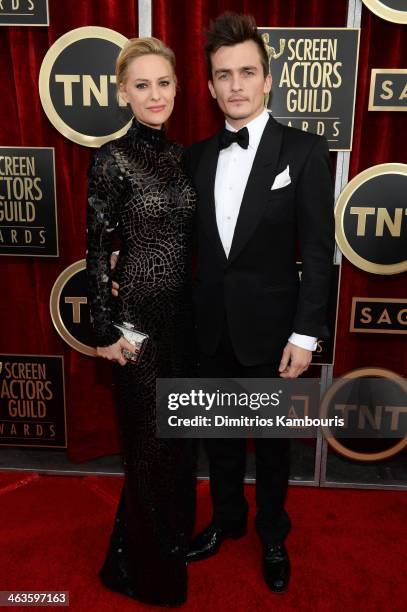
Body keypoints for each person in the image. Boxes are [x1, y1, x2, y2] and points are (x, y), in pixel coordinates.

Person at [183, 13, 335, 593]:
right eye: (224, 75)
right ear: (210, 85)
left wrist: (305, 335)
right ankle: (226, 522)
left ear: (268, 80)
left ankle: (273, 532)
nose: (236, 85)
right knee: (218, 437)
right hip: (211, 329)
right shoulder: (196, 157)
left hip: (275, 334)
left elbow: (319, 253)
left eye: (248, 72)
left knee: (272, 447)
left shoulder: (303, 150)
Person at [86, 37, 197, 606]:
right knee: (149, 453)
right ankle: (153, 579)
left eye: (164, 83)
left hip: (181, 327)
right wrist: (105, 332)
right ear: (122, 91)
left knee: (176, 451)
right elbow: (96, 249)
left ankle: (134, 556)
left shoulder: (183, 156)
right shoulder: (111, 158)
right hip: (138, 331)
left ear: (177, 88)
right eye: (142, 84)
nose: (155, 95)